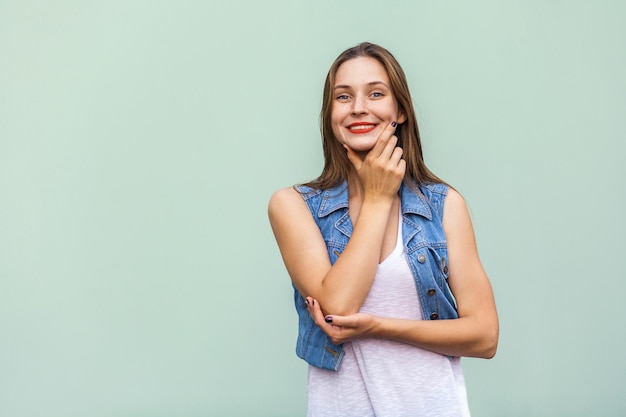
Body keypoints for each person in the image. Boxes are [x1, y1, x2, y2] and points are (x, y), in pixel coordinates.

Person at [268, 42, 498, 417]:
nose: (359, 107)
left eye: (376, 93)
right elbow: (337, 307)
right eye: (344, 97)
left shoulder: (443, 205)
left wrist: (377, 326)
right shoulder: (293, 206)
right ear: (330, 114)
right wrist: (376, 199)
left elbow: (485, 336)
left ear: (400, 111)